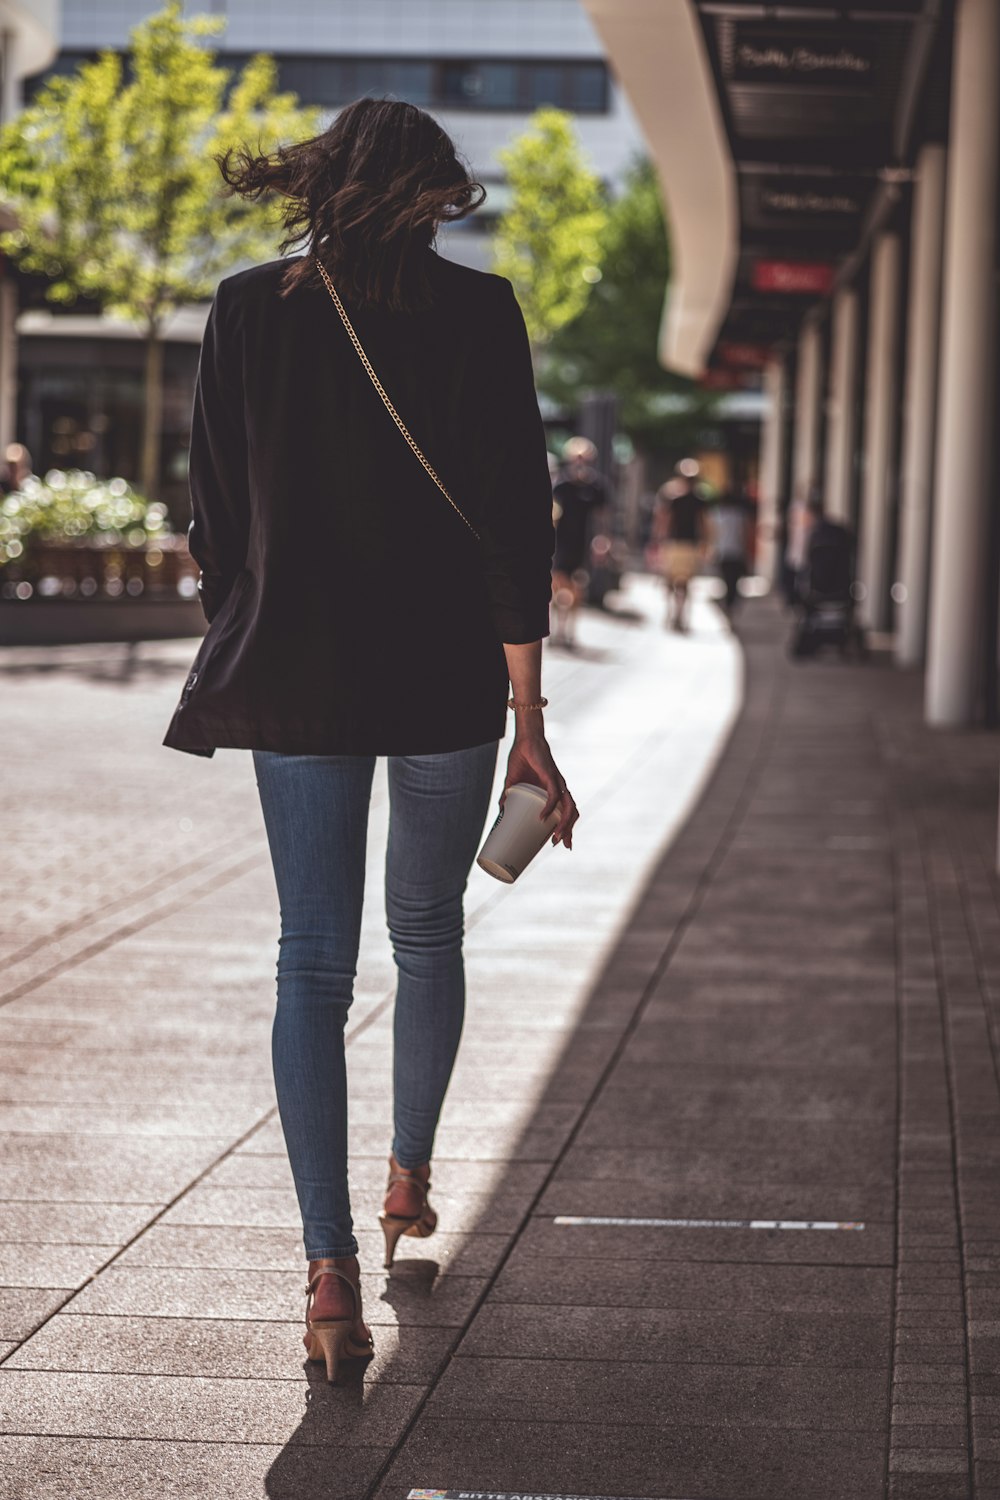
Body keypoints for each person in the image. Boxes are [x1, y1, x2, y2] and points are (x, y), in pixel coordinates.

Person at [161, 98, 579, 1382]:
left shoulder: (244, 309)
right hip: (445, 676)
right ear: (433, 192)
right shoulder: (482, 312)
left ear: (324, 180)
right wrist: (530, 722)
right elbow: (517, 521)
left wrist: (262, 600)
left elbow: (213, 514)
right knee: (428, 932)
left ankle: (326, 1264)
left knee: (311, 962)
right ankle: (406, 1180)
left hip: (294, 673)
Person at [550, 436, 607, 648]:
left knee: (577, 589)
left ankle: (570, 632)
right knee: (558, 588)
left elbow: (602, 518)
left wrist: (602, 541)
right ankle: (557, 629)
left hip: (583, 544)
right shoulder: (561, 486)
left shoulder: (595, 487)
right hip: (560, 544)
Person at [651, 468, 705, 632]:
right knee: (674, 582)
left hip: (686, 545)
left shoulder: (696, 500)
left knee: (681, 583)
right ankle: (675, 614)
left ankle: (678, 614)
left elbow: (703, 523)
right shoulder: (676, 498)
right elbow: (665, 521)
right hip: (677, 544)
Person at [710, 488, 752, 627]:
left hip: (723, 553)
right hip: (736, 553)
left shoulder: (717, 515)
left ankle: (729, 608)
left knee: (727, 582)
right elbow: (744, 535)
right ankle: (731, 607)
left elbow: (713, 535)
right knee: (734, 583)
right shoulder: (740, 515)